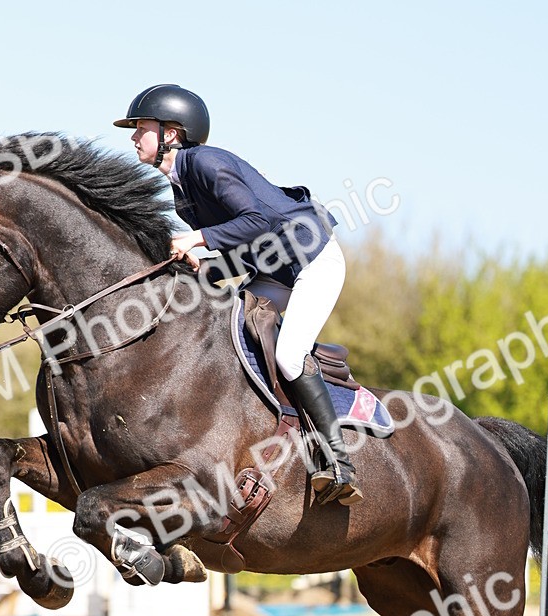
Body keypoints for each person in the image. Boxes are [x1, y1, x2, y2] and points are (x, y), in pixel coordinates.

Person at [113, 84, 363, 506]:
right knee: (228, 338)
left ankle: (338, 462)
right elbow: (244, 252)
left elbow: (260, 220)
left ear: (171, 134)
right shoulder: (182, 194)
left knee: (288, 354)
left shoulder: (207, 163)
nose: (134, 136)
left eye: (141, 127)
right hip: (271, 271)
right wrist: (208, 267)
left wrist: (197, 238)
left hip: (312, 261)